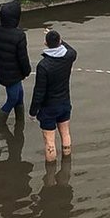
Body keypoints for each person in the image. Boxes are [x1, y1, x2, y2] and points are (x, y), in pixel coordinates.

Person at [29, 29, 77, 163]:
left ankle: (50, 176)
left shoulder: (43, 65)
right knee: (65, 134)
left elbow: (39, 91)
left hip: (48, 108)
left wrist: (33, 111)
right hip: (64, 103)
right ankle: (67, 163)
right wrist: (61, 40)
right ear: (60, 41)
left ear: (46, 43)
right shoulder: (69, 57)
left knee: (50, 142)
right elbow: (69, 49)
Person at [0, 0, 31, 121]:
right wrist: (27, 71)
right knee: (12, 99)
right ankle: (0, 122)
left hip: (2, 72)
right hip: (14, 75)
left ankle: (20, 121)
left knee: (19, 96)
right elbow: (23, 58)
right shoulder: (19, 35)